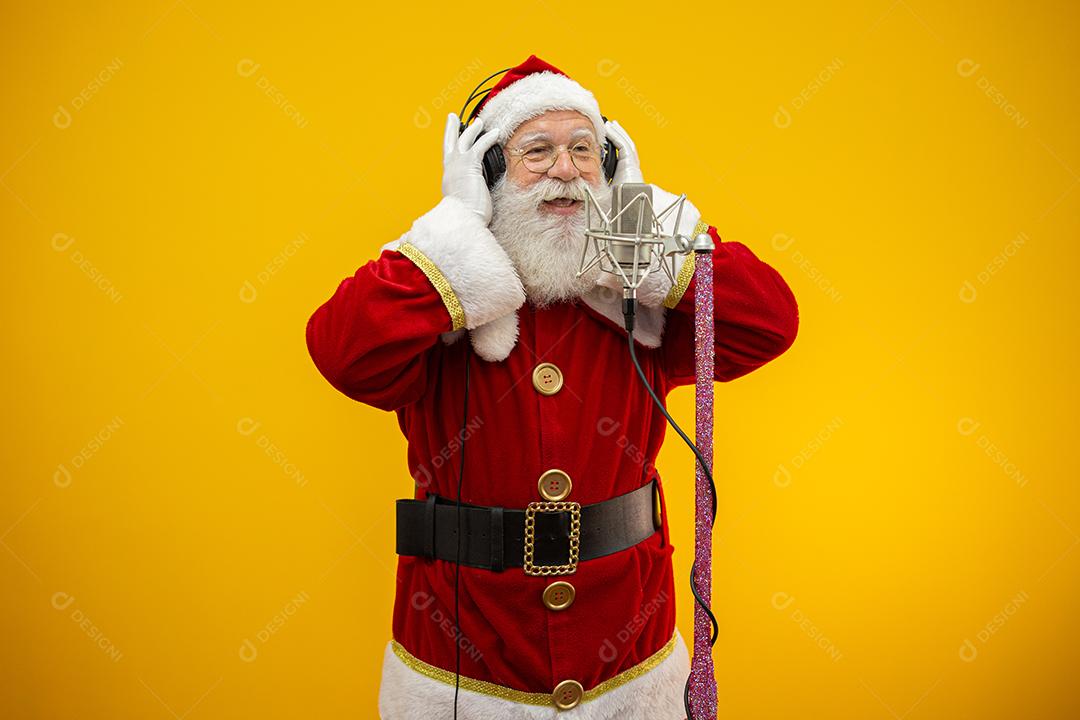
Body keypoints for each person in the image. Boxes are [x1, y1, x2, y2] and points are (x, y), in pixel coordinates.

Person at [305, 54, 799, 719]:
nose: (565, 169)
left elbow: (769, 321)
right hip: (465, 665)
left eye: (585, 151)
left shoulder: (638, 307)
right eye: (537, 151)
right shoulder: (438, 302)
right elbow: (343, 351)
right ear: (487, 175)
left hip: (629, 660)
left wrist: (649, 237)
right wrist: (454, 233)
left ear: (614, 172)